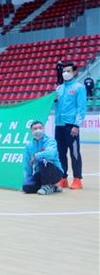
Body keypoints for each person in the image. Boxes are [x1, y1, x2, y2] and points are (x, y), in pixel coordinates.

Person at [54, 61, 86, 190]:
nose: (65, 73)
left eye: (68, 71)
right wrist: (54, 100)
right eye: (64, 71)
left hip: (71, 125)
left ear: (74, 72)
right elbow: (54, 106)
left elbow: (81, 108)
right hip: (59, 125)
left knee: (74, 153)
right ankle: (63, 178)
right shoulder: (59, 88)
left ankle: (77, 179)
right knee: (60, 153)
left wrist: (76, 125)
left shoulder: (79, 87)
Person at [22, 121, 64, 195]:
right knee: (26, 188)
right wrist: (27, 180)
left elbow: (51, 154)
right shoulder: (28, 146)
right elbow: (27, 165)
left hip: (55, 172)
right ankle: (54, 187)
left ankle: (47, 185)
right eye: (35, 128)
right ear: (31, 131)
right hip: (40, 173)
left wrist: (36, 156)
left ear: (43, 129)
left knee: (43, 160)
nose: (38, 130)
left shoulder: (50, 141)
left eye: (40, 128)